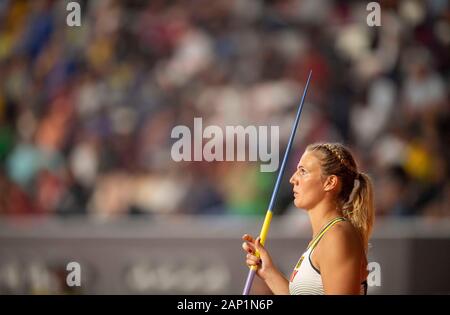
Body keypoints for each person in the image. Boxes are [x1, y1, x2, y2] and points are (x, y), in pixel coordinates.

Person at [242, 142, 375, 295]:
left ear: (330, 182)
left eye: (303, 171)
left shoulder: (337, 235)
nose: (293, 179)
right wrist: (268, 272)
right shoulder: (325, 235)